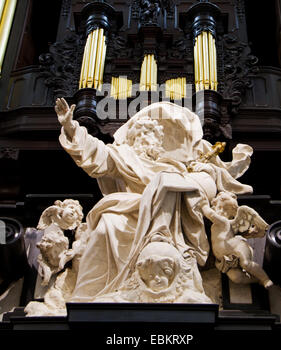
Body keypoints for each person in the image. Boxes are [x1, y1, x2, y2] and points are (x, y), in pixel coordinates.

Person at [55, 98, 254, 302]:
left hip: (167, 221)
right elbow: (97, 153)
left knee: (166, 184)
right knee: (107, 224)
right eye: (139, 134)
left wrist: (200, 175)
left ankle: (160, 249)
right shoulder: (123, 156)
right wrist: (71, 126)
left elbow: (200, 186)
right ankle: (89, 296)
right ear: (132, 139)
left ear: (159, 140)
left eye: (150, 134)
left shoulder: (173, 167)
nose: (145, 138)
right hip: (127, 209)